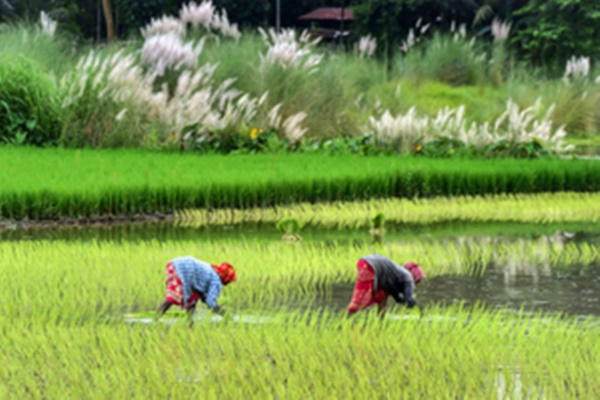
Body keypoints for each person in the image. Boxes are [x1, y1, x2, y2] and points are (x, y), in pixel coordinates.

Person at [157, 256, 237, 323]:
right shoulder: (216, 281)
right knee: (173, 297)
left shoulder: (211, 270)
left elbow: (202, 295)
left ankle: (190, 323)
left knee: (193, 298)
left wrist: (204, 298)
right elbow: (210, 303)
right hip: (182, 270)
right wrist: (225, 314)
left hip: (175, 265)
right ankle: (155, 319)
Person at [347, 254, 425, 318]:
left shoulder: (397, 275)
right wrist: (419, 308)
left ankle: (381, 322)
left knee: (382, 298)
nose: (416, 285)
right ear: (415, 277)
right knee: (362, 297)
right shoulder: (408, 278)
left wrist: (405, 302)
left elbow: (397, 298)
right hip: (370, 266)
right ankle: (347, 319)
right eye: (418, 281)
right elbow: (408, 299)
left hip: (365, 263)